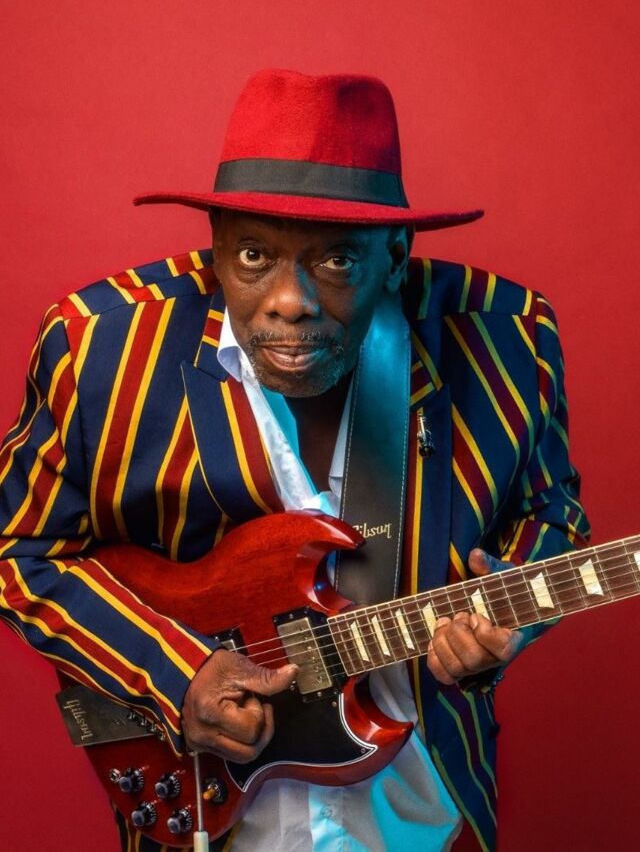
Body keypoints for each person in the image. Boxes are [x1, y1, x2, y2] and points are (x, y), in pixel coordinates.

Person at [0, 69, 589, 852]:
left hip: (421, 819)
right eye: (254, 255)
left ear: (396, 255)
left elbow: (553, 518)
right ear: (213, 245)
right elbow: (17, 549)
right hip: (209, 815)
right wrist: (174, 670)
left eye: (337, 261)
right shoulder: (99, 348)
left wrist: (509, 614)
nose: (291, 300)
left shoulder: (505, 337)